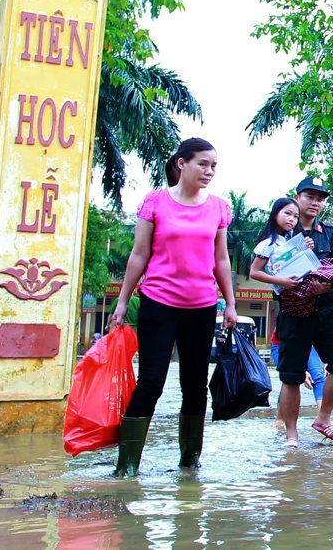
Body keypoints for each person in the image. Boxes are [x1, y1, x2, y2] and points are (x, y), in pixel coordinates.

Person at [108, 138, 236, 476]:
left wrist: (231, 304)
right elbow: (139, 254)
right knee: (151, 381)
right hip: (158, 302)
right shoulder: (156, 202)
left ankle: (190, 463)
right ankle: (127, 466)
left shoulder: (219, 208)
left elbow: (220, 259)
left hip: (202, 305)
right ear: (182, 163)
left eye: (213, 166)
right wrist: (122, 302)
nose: (209, 171)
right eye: (203, 164)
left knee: (195, 385)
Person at [269, 176, 333, 449]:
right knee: (291, 377)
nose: (315, 202)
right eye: (310, 196)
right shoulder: (282, 233)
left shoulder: (330, 233)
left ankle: (323, 417)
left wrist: (324, 288)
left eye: (320, 198)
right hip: (294, 313)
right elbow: (273, 277)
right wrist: (305, 289)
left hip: (326, 311)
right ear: (297, 197)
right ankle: (292, 435)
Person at [250, 197, 333, 339]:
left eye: (296, 216)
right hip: (294, 286)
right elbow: (254, 272)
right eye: (287, 214)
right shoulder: (268, 243)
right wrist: (281, 281)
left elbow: (294, 258)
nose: (292, 219)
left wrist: (305, 247)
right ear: (275, 214)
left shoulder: (291, 237)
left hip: (305, 273)